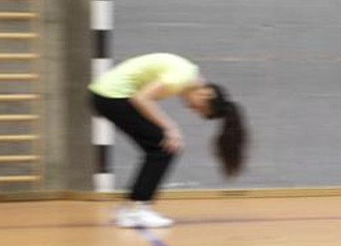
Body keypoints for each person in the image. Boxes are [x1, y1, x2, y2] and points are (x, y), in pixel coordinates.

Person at [88, 52, 247, 228]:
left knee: (158, 147)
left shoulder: (188, 75)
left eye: (197, 111)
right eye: (198, 108)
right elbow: (141, 98)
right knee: (164, 147)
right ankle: (138, 209)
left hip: (106, 95)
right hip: (111, 96)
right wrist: (170, 128)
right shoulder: (182, 77)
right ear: (206, 94)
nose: (191, 109)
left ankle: (130, 208)